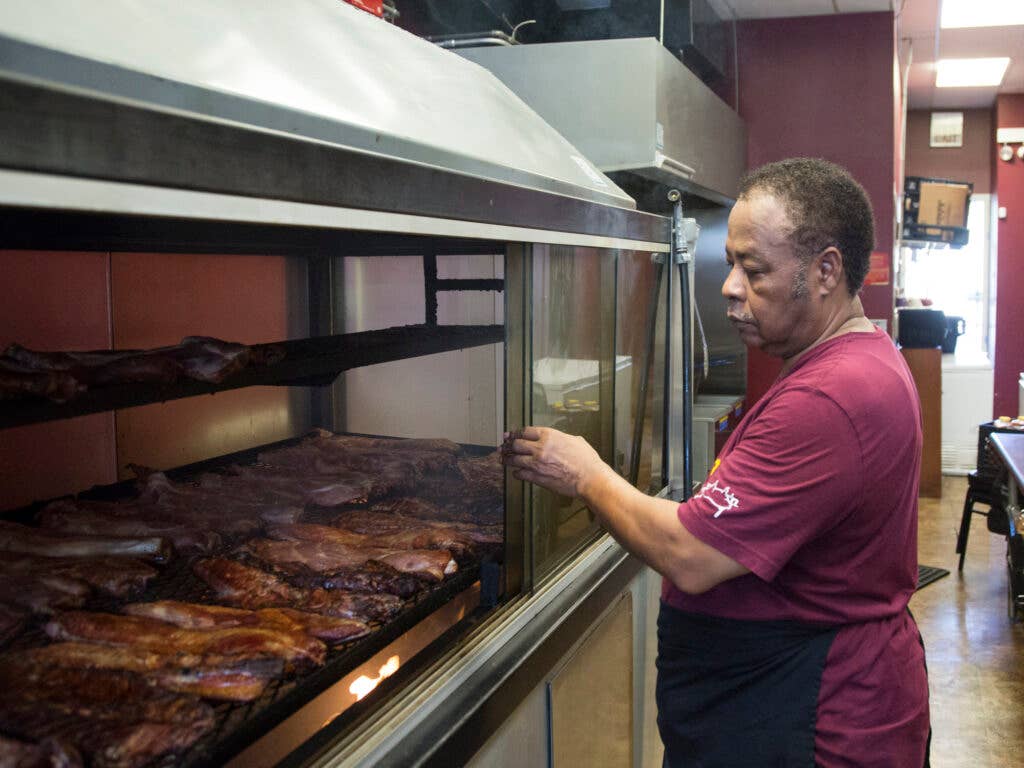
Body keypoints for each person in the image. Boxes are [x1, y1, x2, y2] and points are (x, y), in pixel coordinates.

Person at [502, 158, 930, 767]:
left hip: (808, 716)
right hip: (785, 695)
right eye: (731, 263)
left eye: (753, 270)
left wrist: (586, 474)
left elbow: (692, 557)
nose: (730, 286)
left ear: (826, 270)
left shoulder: (829, 398)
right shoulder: (857, 357)